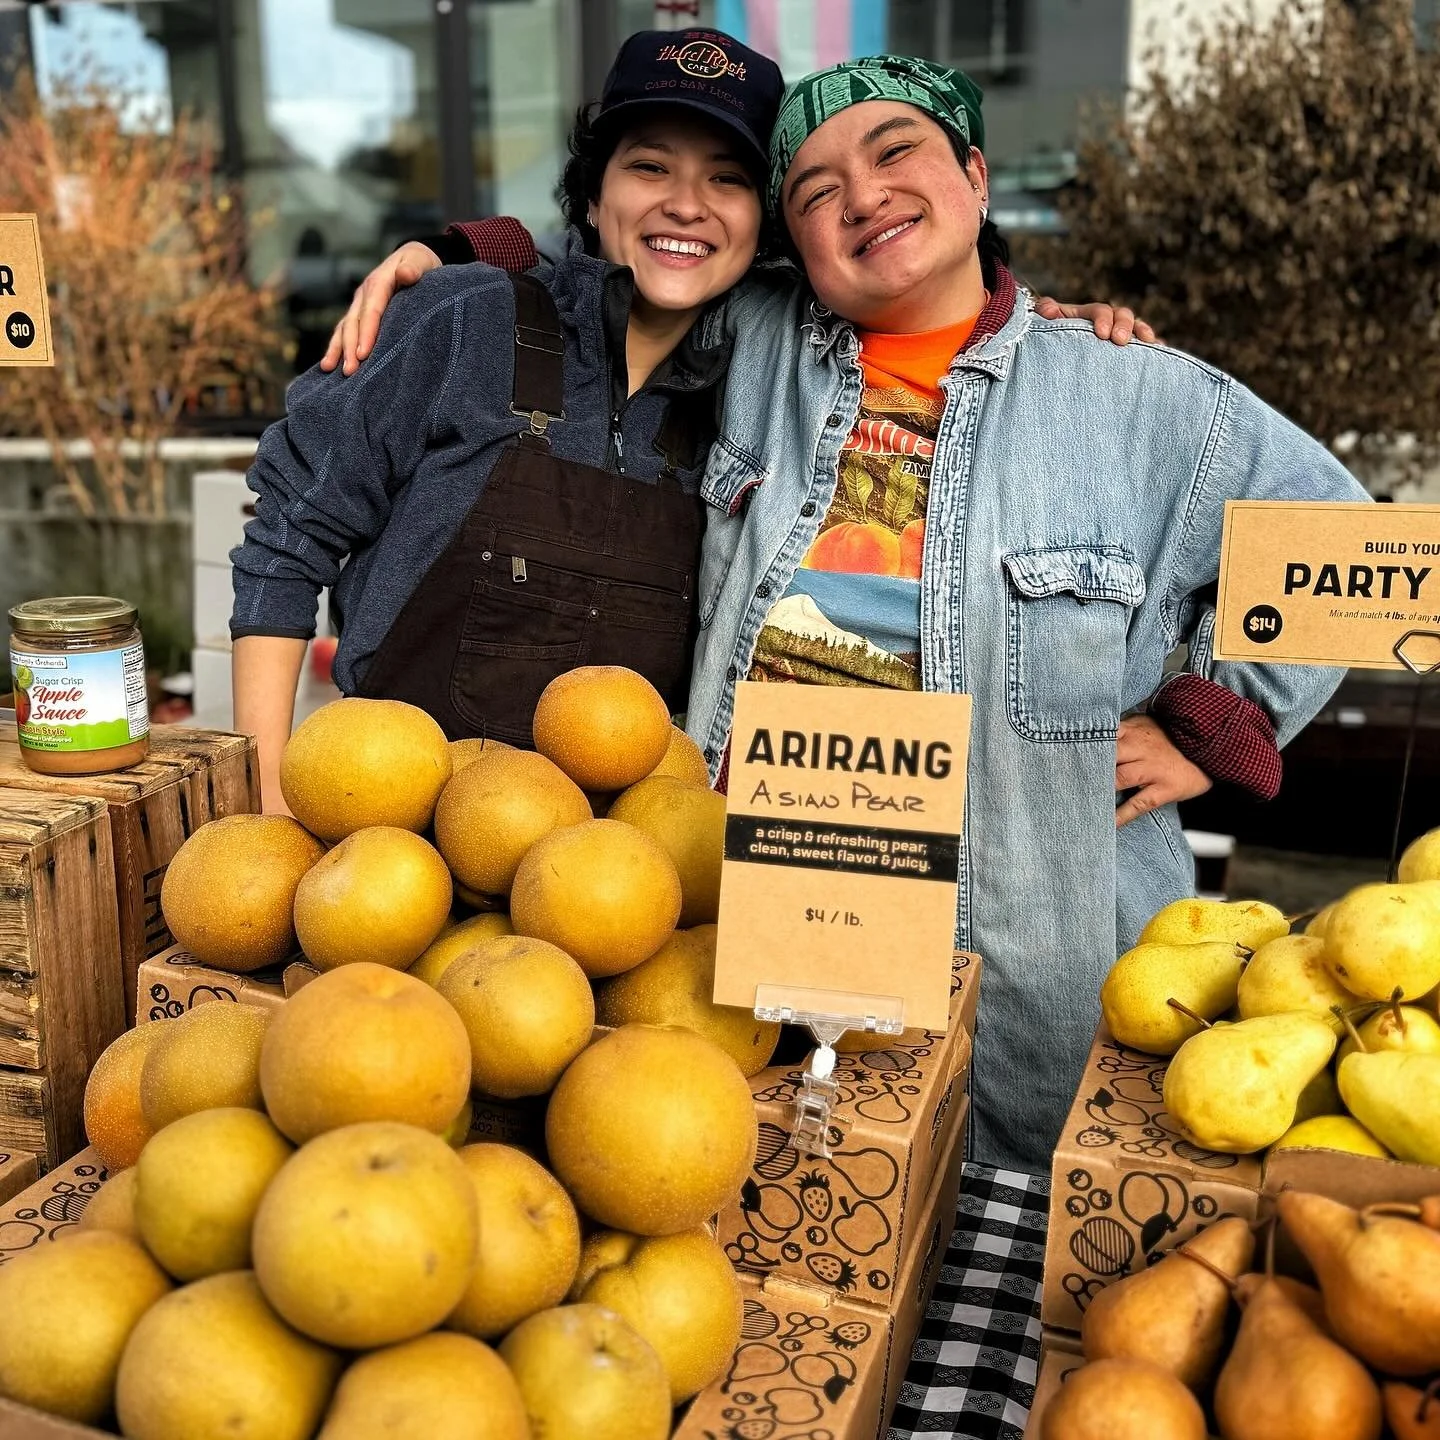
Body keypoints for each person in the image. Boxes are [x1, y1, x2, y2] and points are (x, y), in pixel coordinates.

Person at [327, 56, 1368, 1173]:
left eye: (895, 153)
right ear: (799, 248)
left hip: (1030, 969)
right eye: (815, 191)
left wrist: (1215, 720)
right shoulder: (755, 340)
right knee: (765, 1201)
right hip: (747, 925)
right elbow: (634, 265)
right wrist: (454, 255)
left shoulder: (1140, 398)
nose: (860, 196)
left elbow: (1344, 537)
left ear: (974, 173)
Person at [228, 29, 785, 810]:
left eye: (727, 180)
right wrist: (268, 795)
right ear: (594, 196)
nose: (686, 204)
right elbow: (291, 536)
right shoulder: (466, 320)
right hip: (383, 846)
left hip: (602, 884)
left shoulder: (756, 392)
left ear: (763, 225)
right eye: (649, 166)